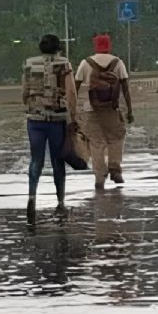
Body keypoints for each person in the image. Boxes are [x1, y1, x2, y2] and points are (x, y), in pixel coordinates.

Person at [22, 34, 79, 224]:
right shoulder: (64, 63)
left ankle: (31, 197)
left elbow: (24, 91)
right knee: (58, 161)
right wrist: (73, 116)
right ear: (58, 48)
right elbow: (71, 92)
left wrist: (31, 106)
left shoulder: (29, 63)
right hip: (57, 119)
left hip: (34, 120)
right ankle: (60, 201)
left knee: (35, 160)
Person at [76, 34, 134, 191]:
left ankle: (99, 176)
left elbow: (75, 87)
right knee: (117, 138)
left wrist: (73, 110)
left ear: (95, 46)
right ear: (109, 46)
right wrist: (129, 110)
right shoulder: (117, 62)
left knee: (96, 142)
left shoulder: (86, 63)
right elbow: (125, 88)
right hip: (112, 109)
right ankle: (115, 169)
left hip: (91, 109)